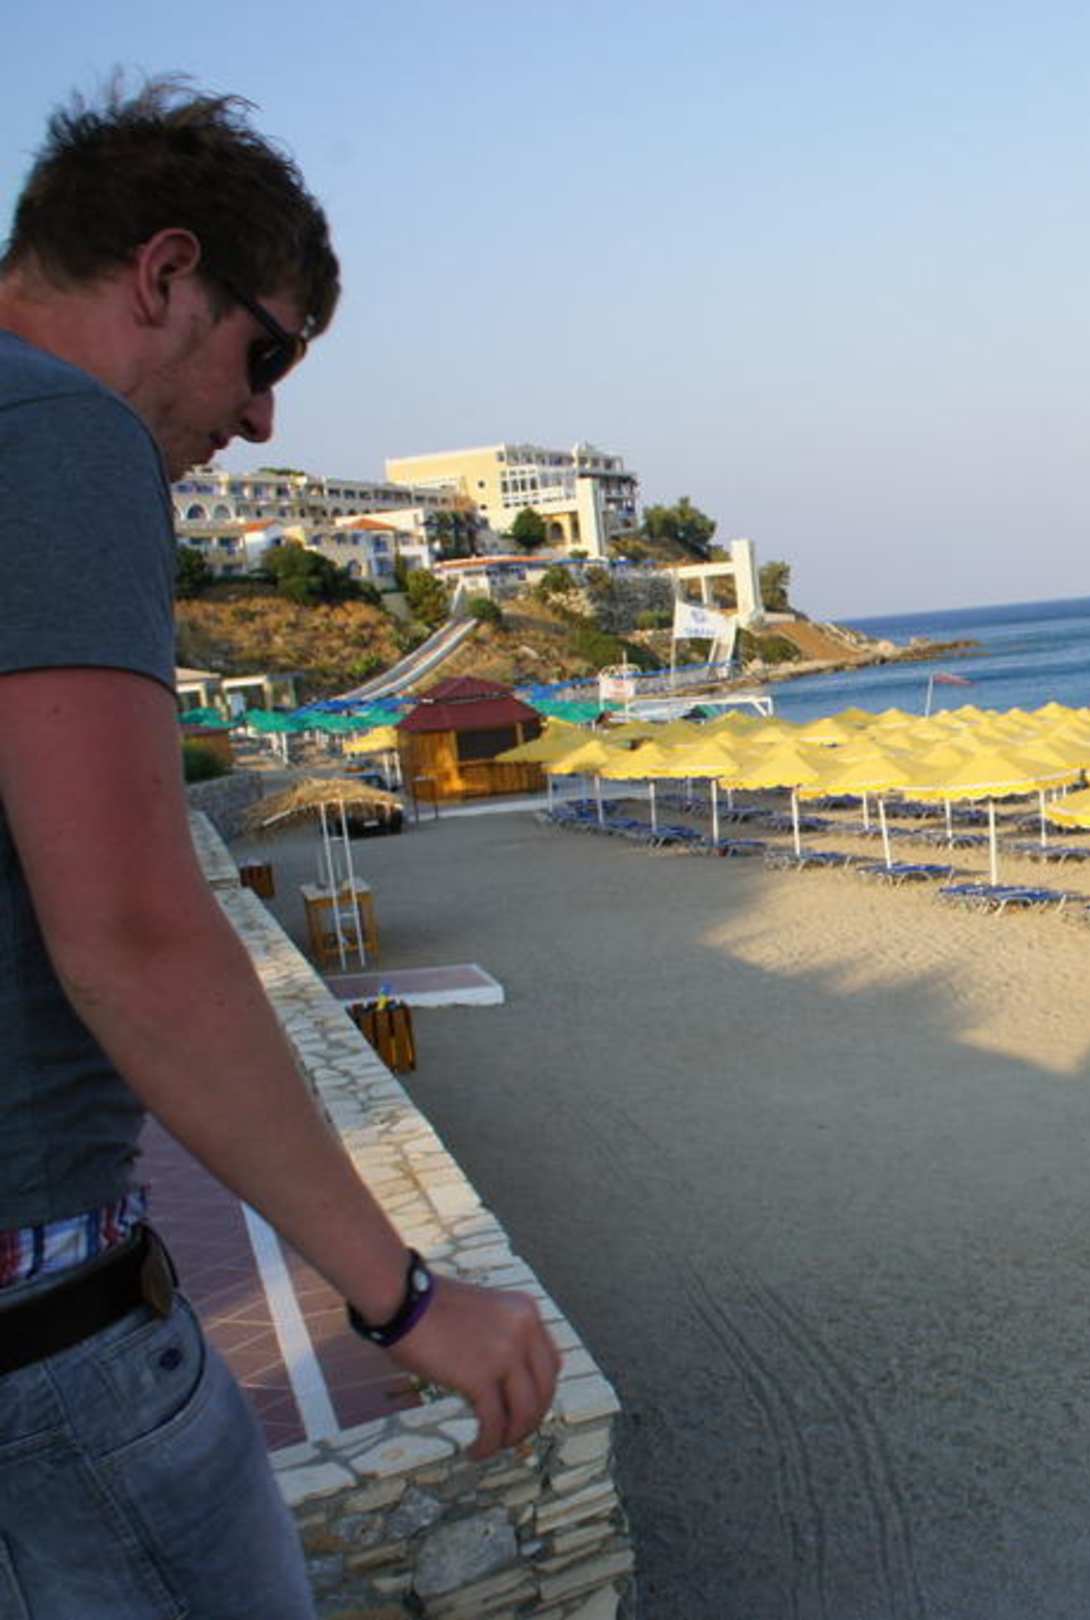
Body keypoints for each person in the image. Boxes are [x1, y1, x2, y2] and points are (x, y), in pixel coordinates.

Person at [0, 79, 560, 1616]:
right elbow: (130, 933)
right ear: (165, 272)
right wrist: (402, 1297)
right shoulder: (53, 433)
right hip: (49, 1353)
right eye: (269, 355)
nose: (262, 421)